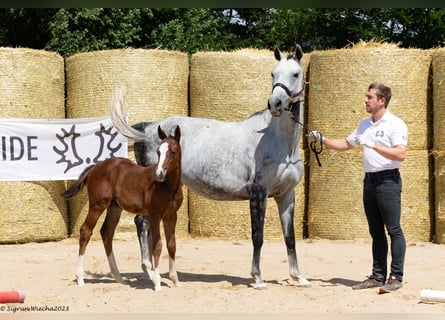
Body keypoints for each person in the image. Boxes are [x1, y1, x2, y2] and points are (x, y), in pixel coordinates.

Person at [308, 82, 408, 293]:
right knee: (375, 231)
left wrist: (372, 145)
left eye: (369, 97)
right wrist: (323, 139)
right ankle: (378, 276)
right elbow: (346, 144)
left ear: (381, 101)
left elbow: (400, 154)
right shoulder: (364, 125)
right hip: (370, 181)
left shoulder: (395, 124)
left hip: (388, 181)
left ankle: (396, 277)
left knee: (394, 230)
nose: (365, 100)